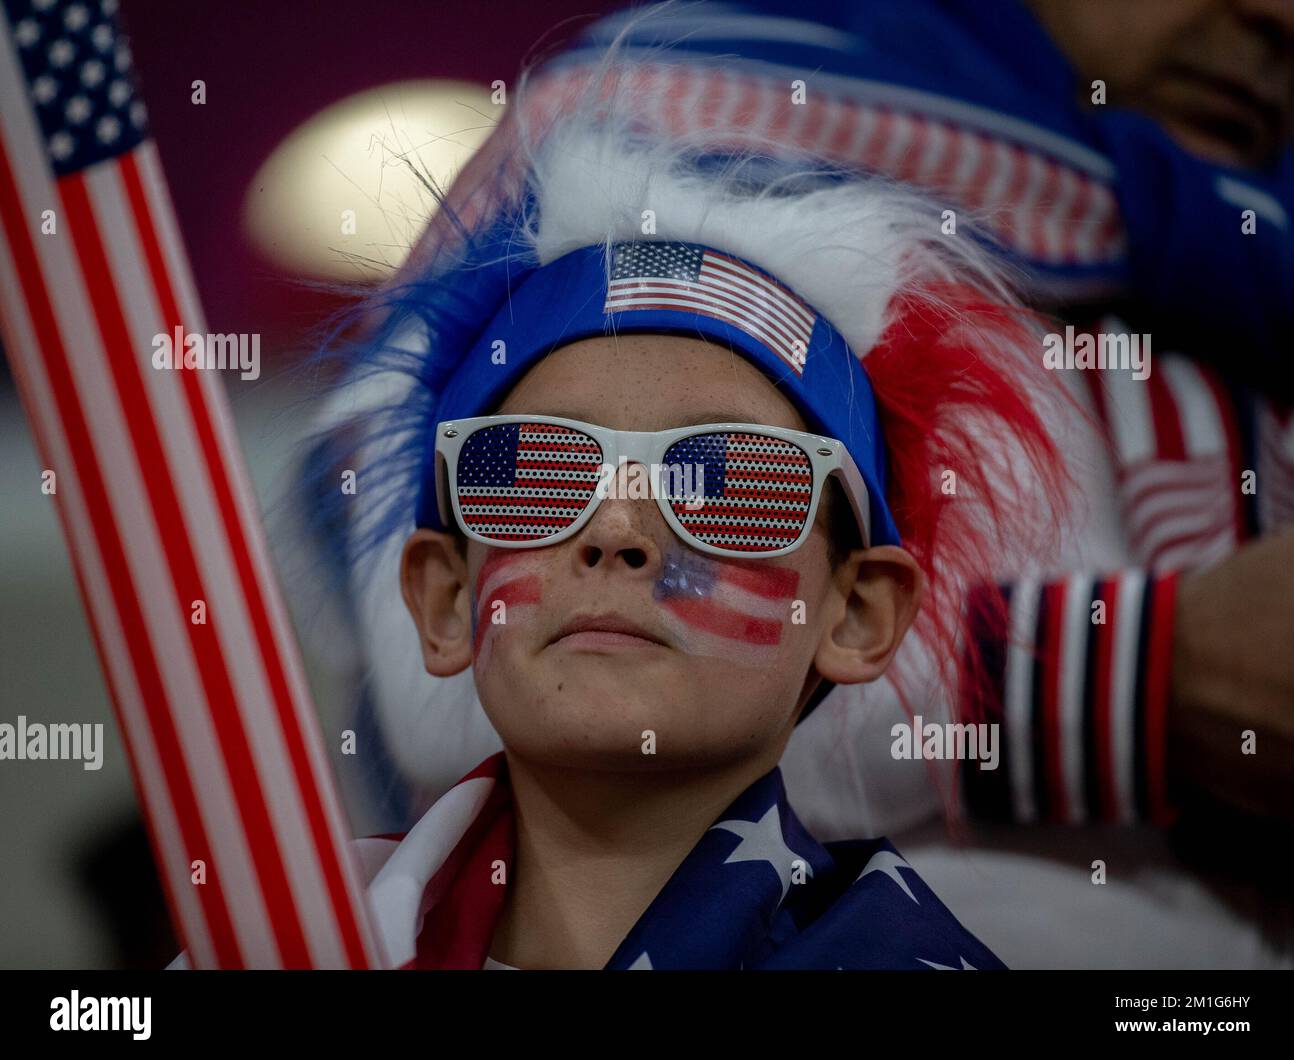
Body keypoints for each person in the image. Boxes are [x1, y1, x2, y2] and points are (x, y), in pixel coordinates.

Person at [264, 34, 1087, 968]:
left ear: (858, 611)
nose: (615, 530)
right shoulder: (271, 946)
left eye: (731, 481)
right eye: (532, 470)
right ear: (445, 596)